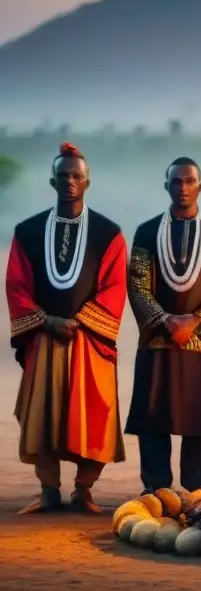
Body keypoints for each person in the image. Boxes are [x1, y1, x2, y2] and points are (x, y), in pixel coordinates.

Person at [6, 143, 128, 514]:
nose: (70, 182)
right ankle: (47, 491)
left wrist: (81, 321)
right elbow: (16, 285)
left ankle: (83, 490)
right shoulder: (27, 231)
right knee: (42, 414)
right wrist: (46, 321)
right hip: (45, 337)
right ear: (52, 181)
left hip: (89, 340)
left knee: (96, 414)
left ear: (87, 182)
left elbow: (114, 285)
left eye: (76, 176)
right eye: (63, 176)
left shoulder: (109, 233)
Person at [125, 157, 201, 494]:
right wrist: (165, 321)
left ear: (200, 187)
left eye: (189, 181)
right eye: (176, 182)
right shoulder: (147, 231)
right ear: (167, 186)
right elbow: (137, 285)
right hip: (159, 339)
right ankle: (156, 489)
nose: (183, 188)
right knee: (153, 417)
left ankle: (195, 489)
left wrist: (197, 320)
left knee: (200, 420)